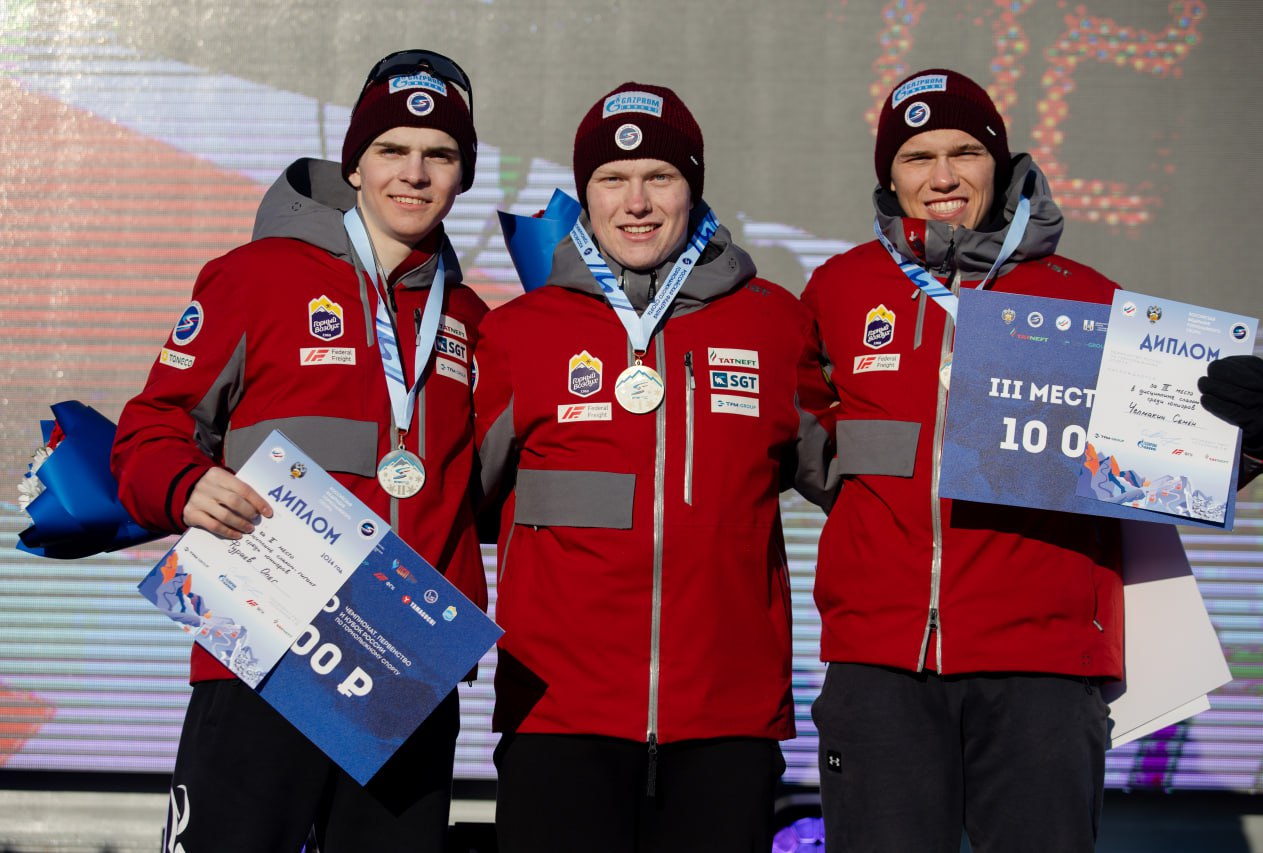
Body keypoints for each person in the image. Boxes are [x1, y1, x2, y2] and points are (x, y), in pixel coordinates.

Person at [801, 67, 1263, 852]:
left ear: (1003, 161)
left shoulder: (1086, 298)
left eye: (964, 152)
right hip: (880, 663)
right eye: (919, 158)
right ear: (889, 175)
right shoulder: (840, 289)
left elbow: (1173, 463)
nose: (944, 177)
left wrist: (1254, 429)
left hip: (1043, 666)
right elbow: (795, 434)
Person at [111, 49, 488, 853]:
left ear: (463, 175)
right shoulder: (258, 277)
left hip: (405, 665)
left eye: (440, 155)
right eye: (391, 149)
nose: (414, 174)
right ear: (354, 163)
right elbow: (151, 424)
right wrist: (182, 484)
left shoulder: (471, 318)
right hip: (264, 647)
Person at [472, 82, 833, 852]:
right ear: (584, 195)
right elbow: (448, 500)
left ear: (693, 186)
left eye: (659, 177)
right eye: (611, 180)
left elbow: (856, 481)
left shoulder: (774, 322)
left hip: (726, 719)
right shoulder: (518, 335)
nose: (635, 202)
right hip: (558, 716)